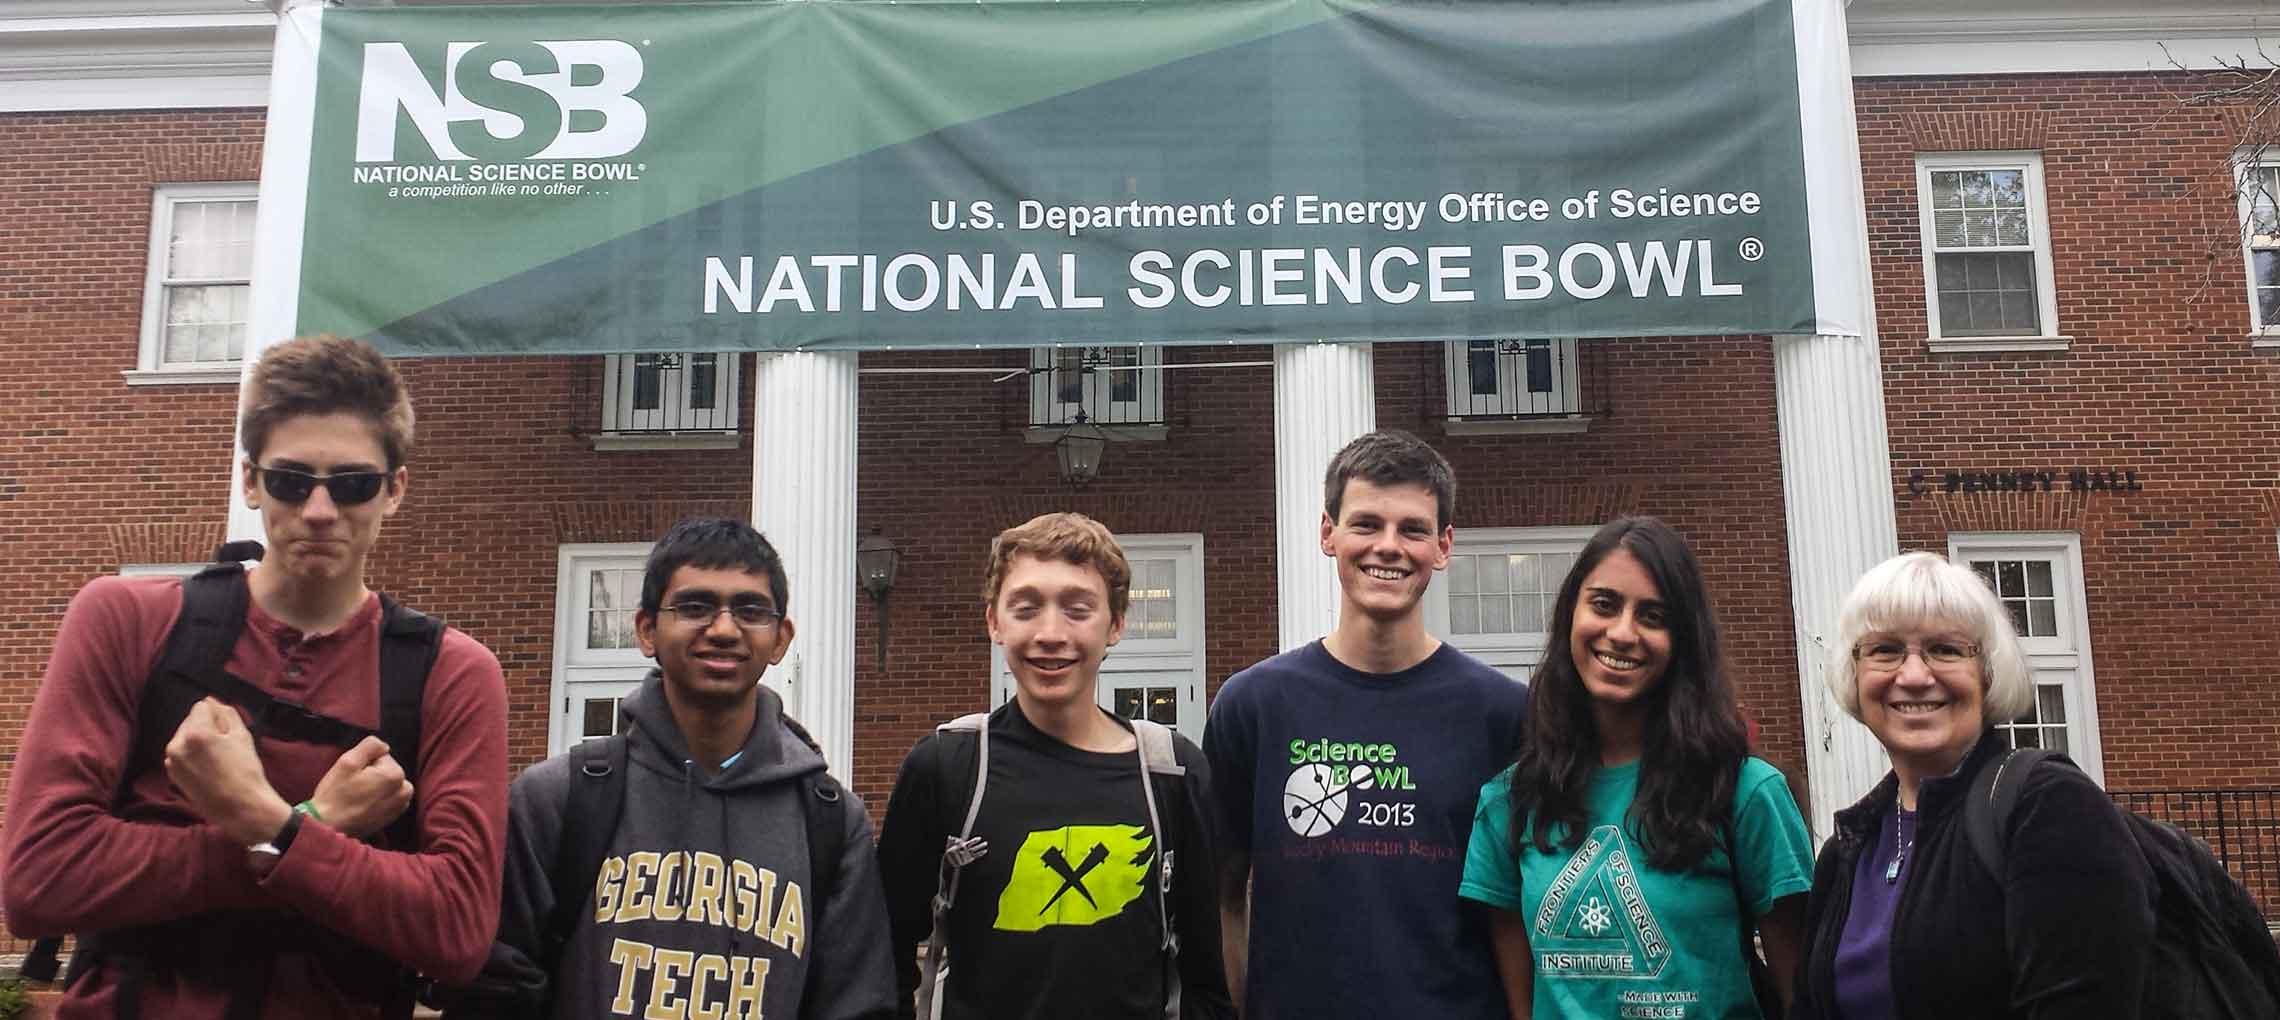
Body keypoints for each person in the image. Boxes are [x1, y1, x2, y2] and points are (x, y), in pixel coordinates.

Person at [1, 334, 509, 1018]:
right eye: (291, 481)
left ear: (394, 491)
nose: (320, 511)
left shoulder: (451, 673)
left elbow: (456, 931)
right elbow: (38, 881)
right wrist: (314, 826)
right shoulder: (127, 620)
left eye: (353, 484)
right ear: (249, 480)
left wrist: (266, 821)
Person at [453, 517, 897, 1020]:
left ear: (780, 639)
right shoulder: (559, 798)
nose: (724, 629)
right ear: (646, 630)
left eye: (750, 609)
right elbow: (496, 989)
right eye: (695, 606)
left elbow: (857, 1006)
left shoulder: (831, 822)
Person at [1204, 429, 1530, 1020]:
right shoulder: (1252, 706)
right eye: (1365, 524)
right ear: (1328, 533)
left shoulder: (1504, 714)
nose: (1388, 546)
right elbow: (1223, 895)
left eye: (1412, 529)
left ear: (1443, 545)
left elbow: (1521, 909)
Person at [875, 512, 1231, 1020]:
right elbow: (884, 951)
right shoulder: (947, 768)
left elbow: (1204, 976)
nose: (1050, 633)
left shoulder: (1173, 773)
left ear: (1116, 624)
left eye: (1077, 609)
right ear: (994, 621)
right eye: (1026, 608)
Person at [1459, 516, 1815, 1020]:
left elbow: (1802, 991)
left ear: (1683, 640)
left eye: (1653, 616)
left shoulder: (1746, 793)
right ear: (1570, 616)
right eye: (1604, 604)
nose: (1622, 633)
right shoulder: (1510, 801)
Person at [1788, 552, 2152, 1019]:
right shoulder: (1847, 851)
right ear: (1854, 675)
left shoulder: (2048, 808)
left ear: (1988, 674)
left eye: (1946, 649)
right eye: (1884, 650)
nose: (1915, 676)